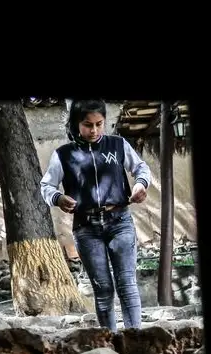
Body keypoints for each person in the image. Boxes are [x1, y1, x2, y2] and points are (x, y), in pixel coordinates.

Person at [39, 99, 152, 331]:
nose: (94, 130)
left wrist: (141, 184)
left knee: (127, 284)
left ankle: (135, 339)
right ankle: (109, 342)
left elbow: (141, 167)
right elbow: (46, 186)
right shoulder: (63, 154)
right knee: (103, 290)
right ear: (76, 124)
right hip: (86, 228)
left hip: (120, 221)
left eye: (99, 124)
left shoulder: (118, 145)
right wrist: (58, 198)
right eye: (88, 125)